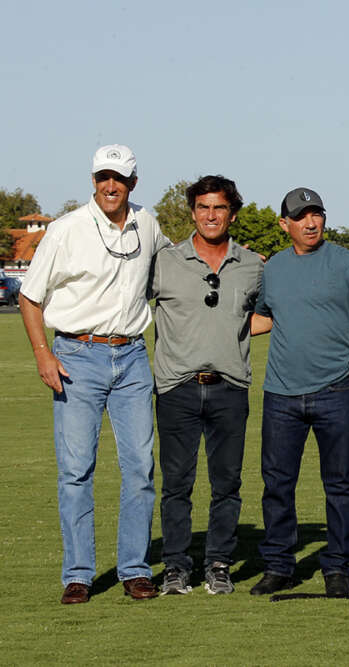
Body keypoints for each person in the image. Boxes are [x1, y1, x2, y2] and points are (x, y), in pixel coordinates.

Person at [19, 145, 171, 604]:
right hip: (76, 355)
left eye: (119, 179)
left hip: (131, 357)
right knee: (75, 471)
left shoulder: (148, 223)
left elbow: (174, 271)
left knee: (141, 469)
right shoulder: (65, 230)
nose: (111, 186)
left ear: (133, 183)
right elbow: (30, 297)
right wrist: (43, 355)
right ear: (93, 180)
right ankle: (79, 575)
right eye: (104, 177)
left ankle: (134, 569)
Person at [248, 187, 349, 598]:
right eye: (301, 217)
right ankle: (279, 566)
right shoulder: (274, 268)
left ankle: (337, 568)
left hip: (335, 390)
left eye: (317, 215)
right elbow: (263, 319)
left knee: (340, 485)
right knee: (277, 485)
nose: (311, 223)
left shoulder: (343, 260)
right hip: (280, 395)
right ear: (285, 225)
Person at [149, 175, 268, 595]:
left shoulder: (253, 266)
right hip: (176, 388)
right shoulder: (164, 261)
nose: (211, 215)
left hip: (230, 387)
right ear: (193, 212)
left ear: (232, 214)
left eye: (219, 208)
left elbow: (268, 314)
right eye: (203, 207)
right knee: (176, 483)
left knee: (227, 483)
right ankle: (176, 567)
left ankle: (219, 562)